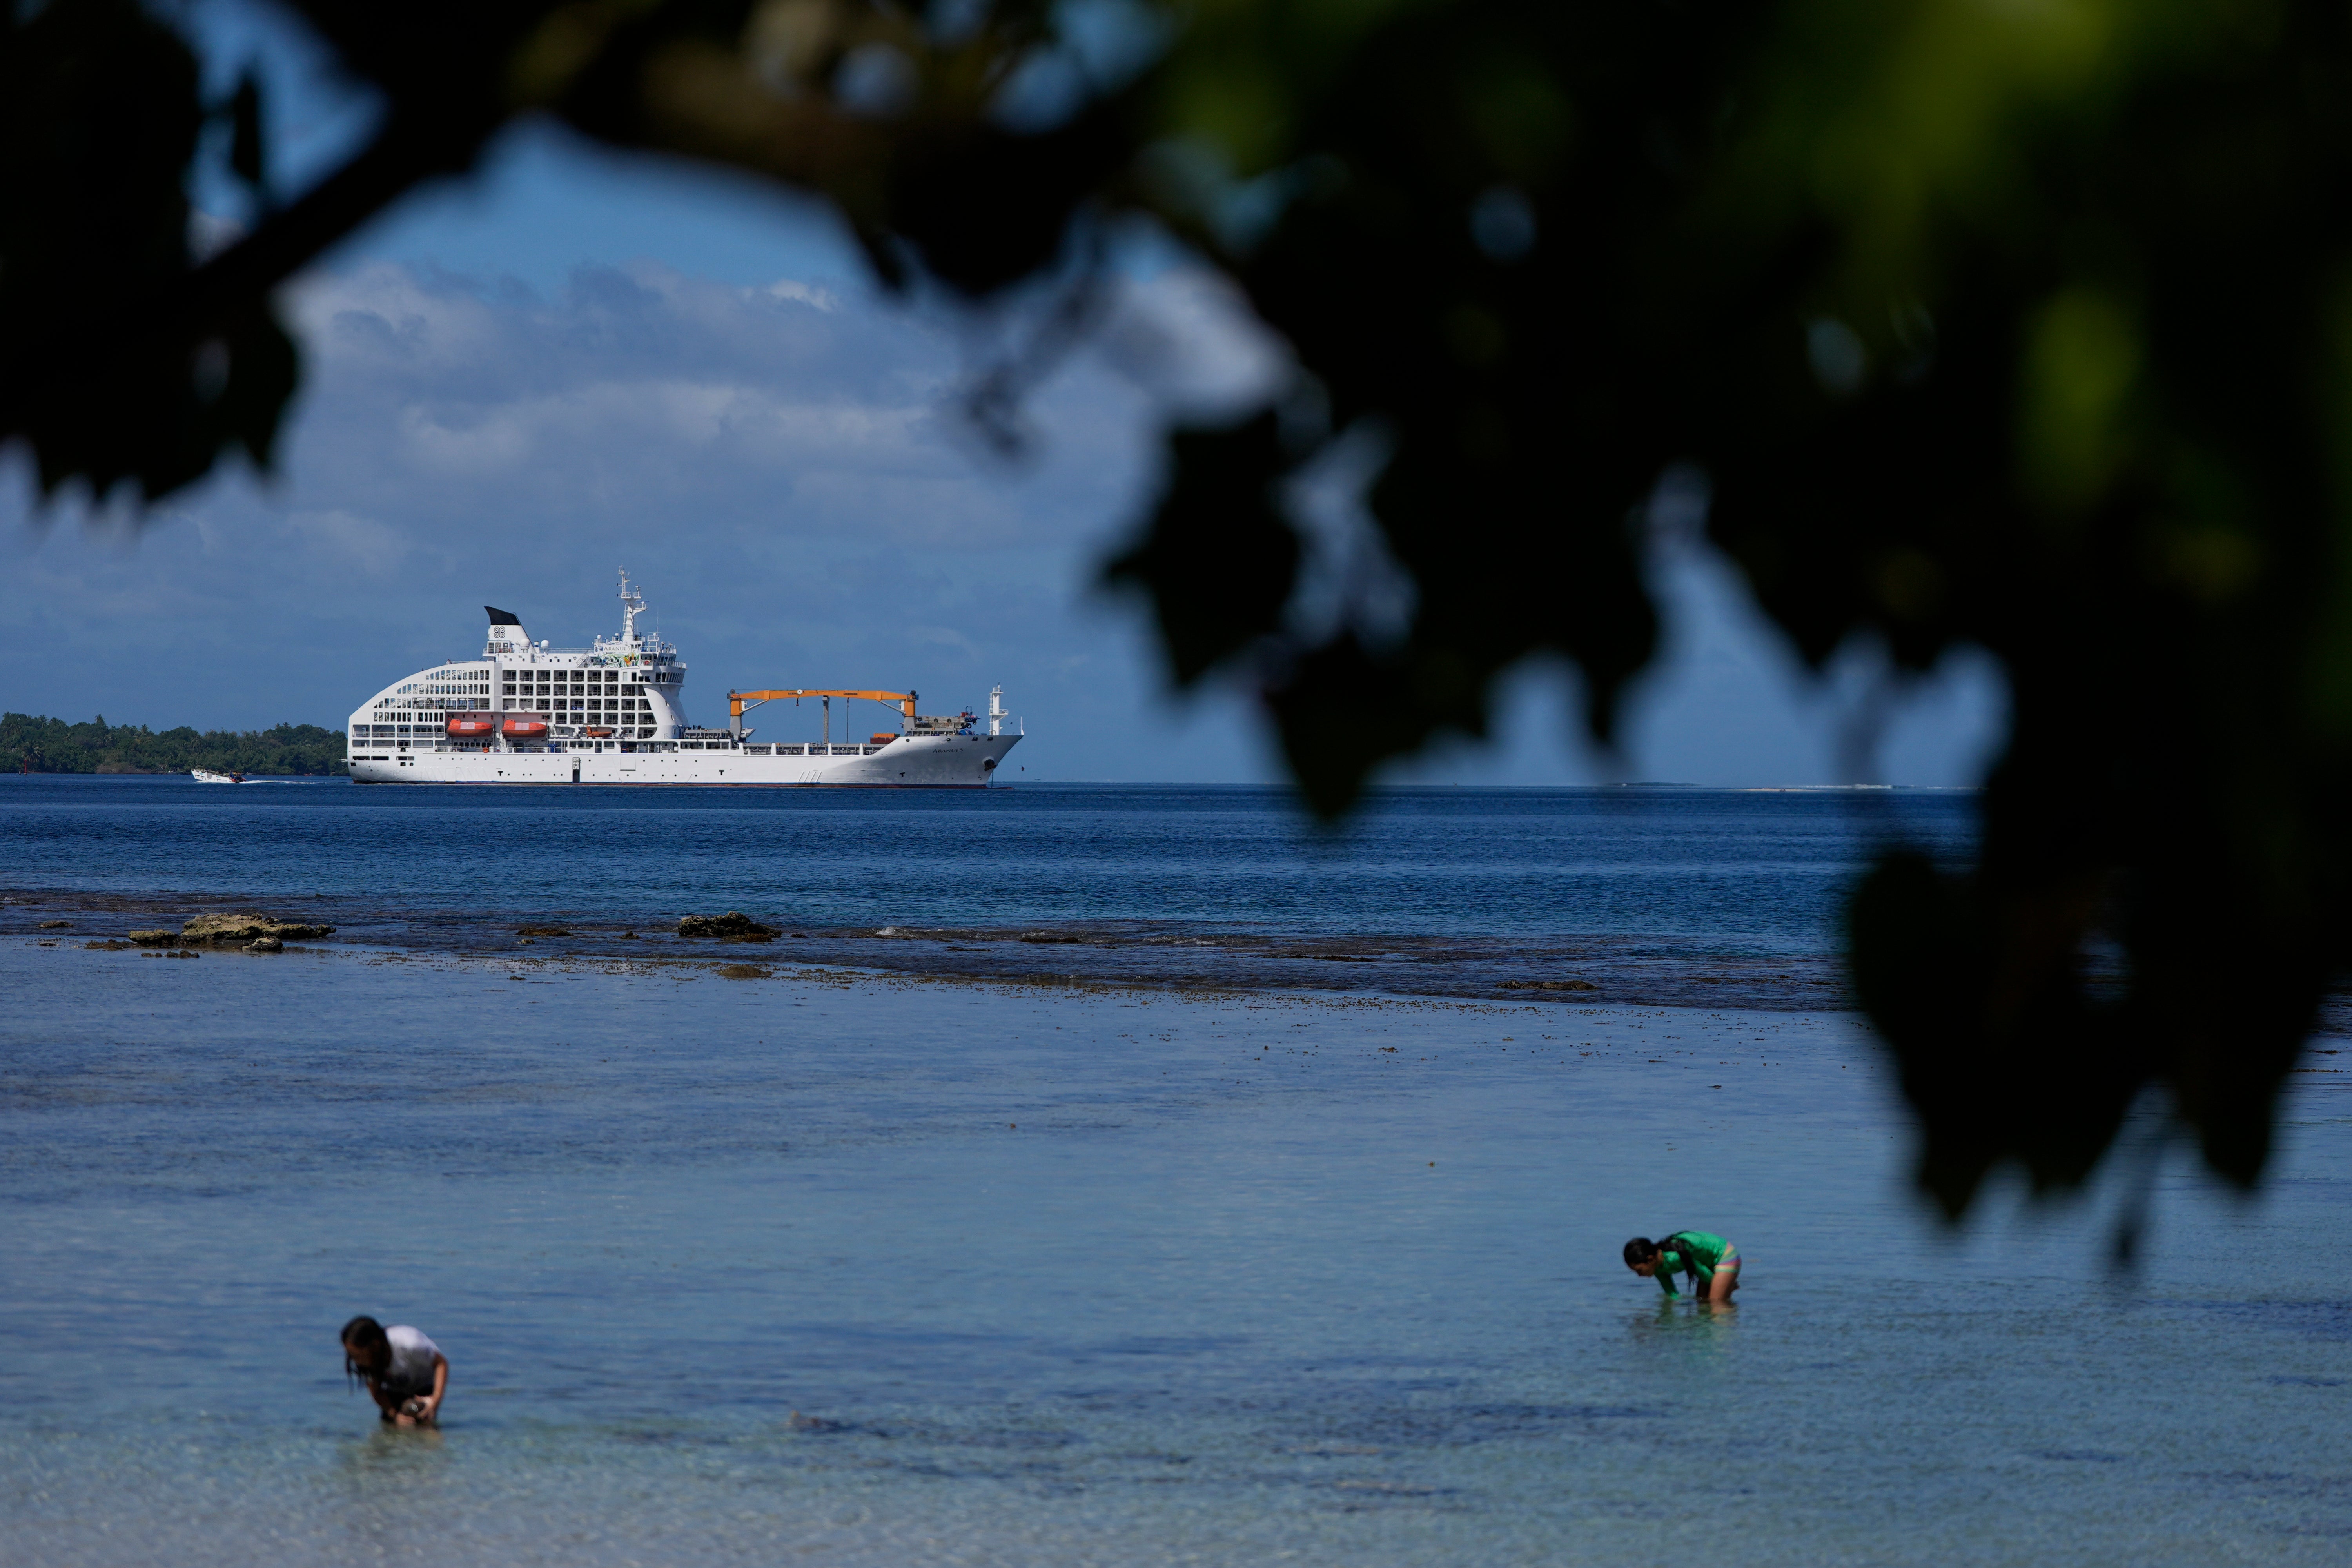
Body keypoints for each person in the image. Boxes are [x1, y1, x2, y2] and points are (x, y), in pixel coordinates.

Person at [340, 1315, 449, 1424]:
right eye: (351, 1355)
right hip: (394, 1390)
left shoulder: (410, 1344)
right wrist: (395, 1415)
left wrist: (436, 1399)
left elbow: (441, 1363)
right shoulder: (368, 1360)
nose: (355, 1361)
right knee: (391, 1427)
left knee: (424, 1425)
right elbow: (377, 1392)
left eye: (356, 1356)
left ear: (375, 1345)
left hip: (425, 1387)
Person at [1624, 1232, 1741, 1303]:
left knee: (1716, 1305)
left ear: (1651, 1260)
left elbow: (1703, 1273)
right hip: (1706, 1261)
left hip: (1724, 1254)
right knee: (1702, 1305)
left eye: (1639, 1270)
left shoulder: (1675, 1258)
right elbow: (1673, 1295)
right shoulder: (1657, 1269)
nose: (1639, 1276)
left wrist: (1727, 1286)